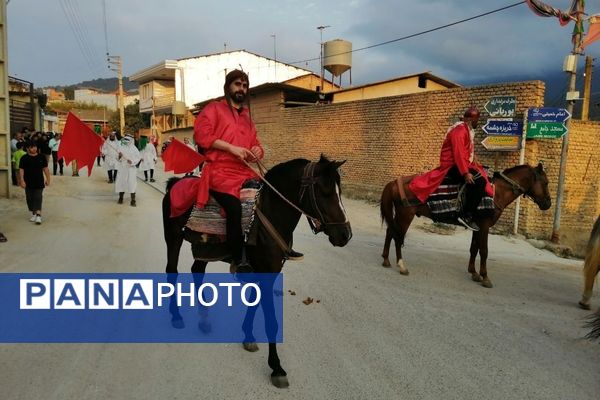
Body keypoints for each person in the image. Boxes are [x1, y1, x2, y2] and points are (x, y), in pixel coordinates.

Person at [408, 107, 493, 231]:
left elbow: (465, 149)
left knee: (482, 172)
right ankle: (466, 215)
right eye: (476, 120)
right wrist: (465, 173)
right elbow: (458, 153)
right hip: (452, 165)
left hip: (461, 163)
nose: (477, 123)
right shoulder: (459, 131)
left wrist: (473, 157)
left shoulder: (466, 129)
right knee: (479, 182)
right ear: (470, 119)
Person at [18, 141, 50, 225]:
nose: (34, 148)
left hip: (39, 181)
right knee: (29, 198)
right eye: (32, 147)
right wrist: (22, 180)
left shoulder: (41, 157)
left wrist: (48, 179)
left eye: (35, 146)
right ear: (27, 148)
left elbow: (45, 168)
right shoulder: (24, 158)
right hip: (28, 182)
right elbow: (21, 169)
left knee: (38, 197)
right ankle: (34, 213)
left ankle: (38, 215)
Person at [115, 134, 141, 206]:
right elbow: (117, 158)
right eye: (125, 140)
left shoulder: (134, 149)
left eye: (127, 140)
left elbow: (138, 158)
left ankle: (133, 200)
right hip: (123, 168)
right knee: (121, 183)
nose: (126, 141)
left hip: (131, 169)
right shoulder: (121, 148)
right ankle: (121, 198)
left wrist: (132, 161)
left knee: (132, 183)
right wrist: (119, 156)